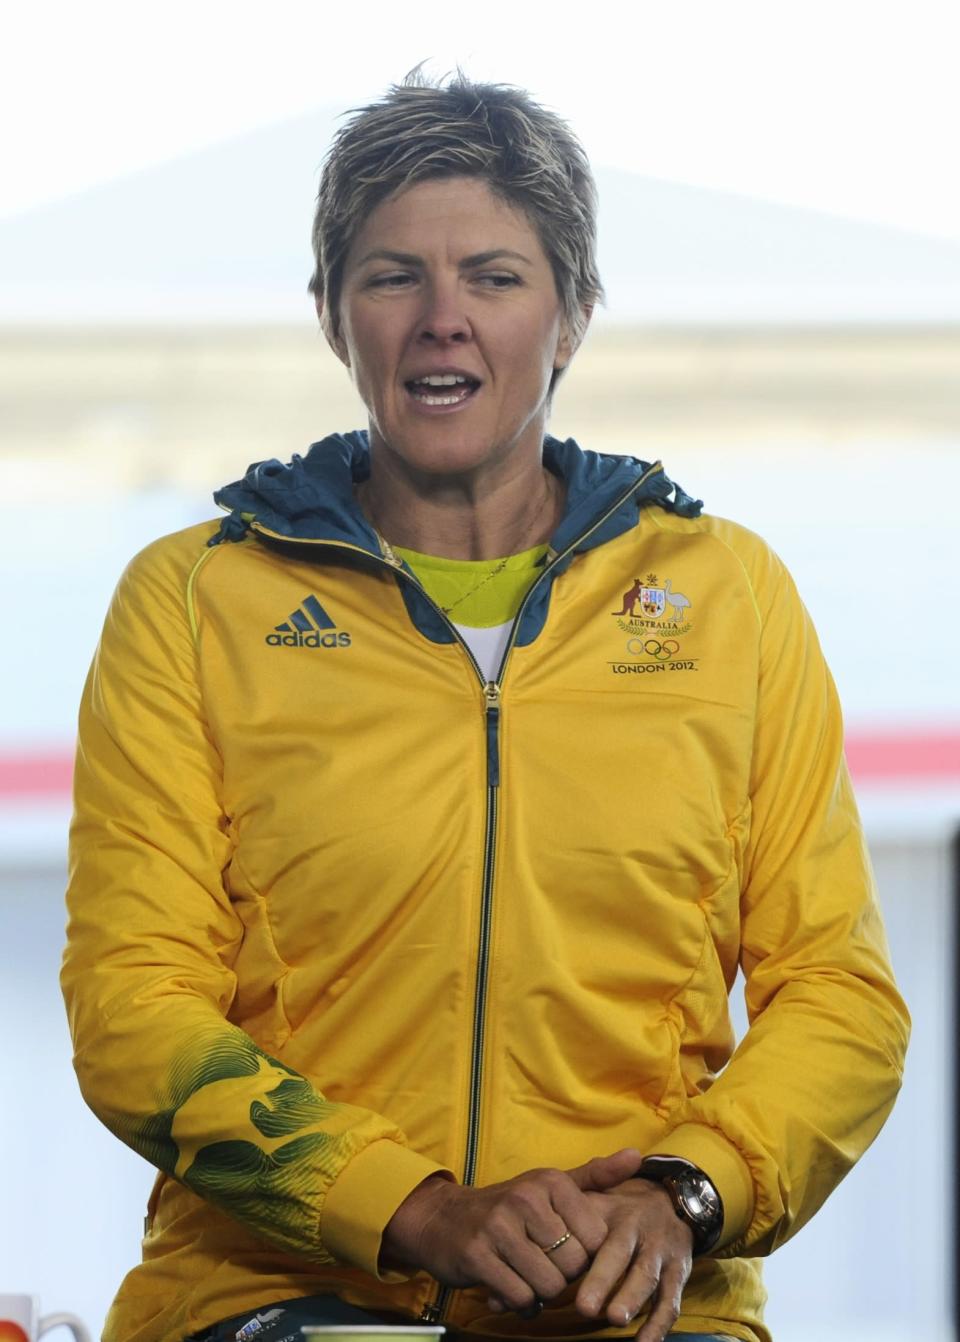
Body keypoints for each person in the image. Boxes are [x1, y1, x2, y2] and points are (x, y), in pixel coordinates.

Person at [61, 70, 910, 1342]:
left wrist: (688, 1194)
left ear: (569, 319)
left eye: (497, 279)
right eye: (394, 275)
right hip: (275, 1301)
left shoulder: (729, 595)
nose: (443, 318)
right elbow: (133, 1001)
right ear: (333, 315)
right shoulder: (192, 600)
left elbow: (839, 996)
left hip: (643, 1307)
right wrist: (413, 1207)